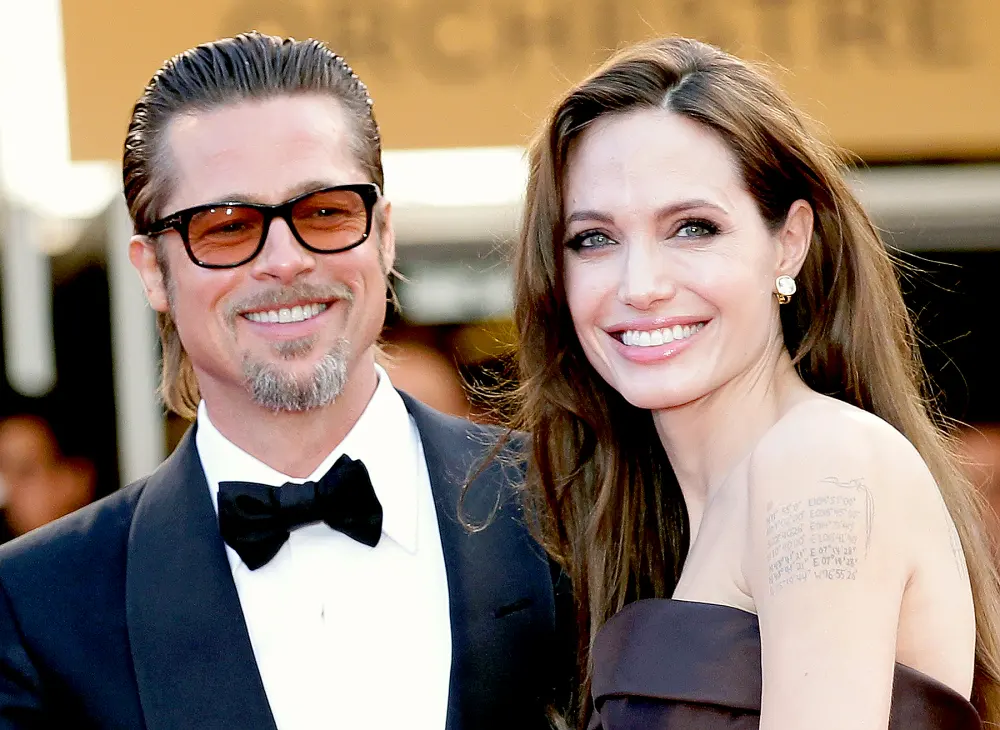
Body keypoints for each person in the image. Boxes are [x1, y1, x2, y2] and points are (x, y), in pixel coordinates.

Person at [0, 33, 568, 730]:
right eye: (227, 226)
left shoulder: (574, 507)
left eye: (323, 212)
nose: (284, 260)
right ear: (153, 272)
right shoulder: (37, 605)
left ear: (382, 235)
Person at [509, 37, 1000, 729]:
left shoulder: (818, 465)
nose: (640, 285)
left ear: (789, 240)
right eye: (594, 238)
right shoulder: (666, 520)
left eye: (692, 228)